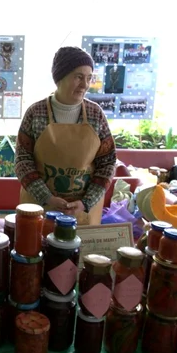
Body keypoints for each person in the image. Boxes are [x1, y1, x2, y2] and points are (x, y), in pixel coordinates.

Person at [15, 47, 117, 225]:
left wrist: (85, 202)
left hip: (83, 211)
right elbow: (23, 161)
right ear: (60, 78)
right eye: (78, 77)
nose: (84, 84)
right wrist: (47, 198)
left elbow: (107, 163)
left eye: (88, 77)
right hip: (40, 207)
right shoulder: (36, 113)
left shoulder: (96, 114)